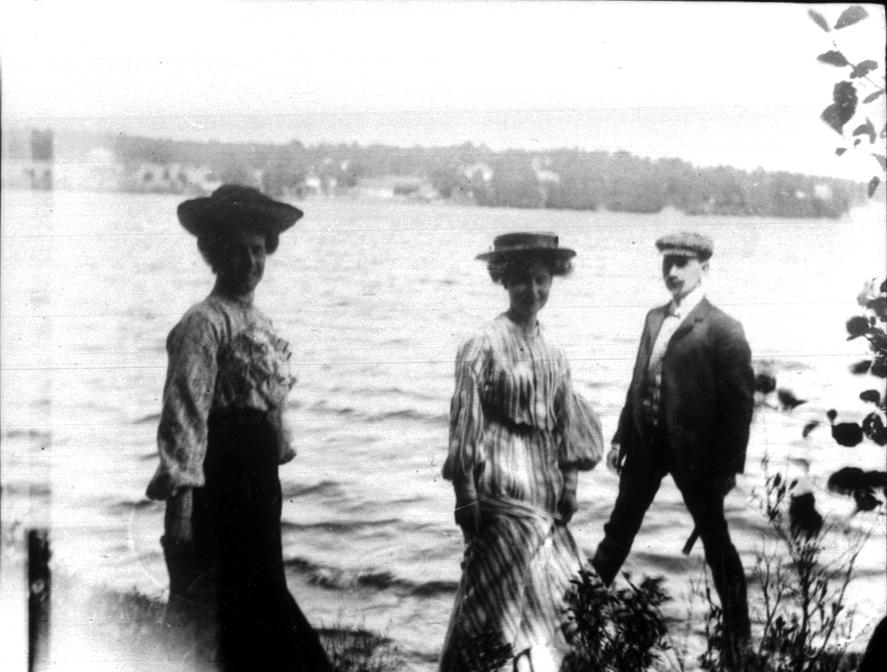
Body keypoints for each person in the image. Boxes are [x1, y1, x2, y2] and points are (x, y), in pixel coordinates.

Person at [145, 184, 332, 672]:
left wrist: (276, 446)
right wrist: (182, 504)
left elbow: (272, 410)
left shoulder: (263, 323)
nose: (250, 262)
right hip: (219, 482)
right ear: (215, 253)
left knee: (263, 591)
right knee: (225, 601)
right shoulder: (202, 323)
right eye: (238, 250)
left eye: (258, 250)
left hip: (259, 484)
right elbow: (184, 413)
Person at [439, 232, 603, 672]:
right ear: (504, 280)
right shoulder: (483, 344)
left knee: (566, 609)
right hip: (498, 499)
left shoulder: (555, 354)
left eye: (542, 280)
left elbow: (567, 425)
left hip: (543, 503)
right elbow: (466, 424)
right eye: (522, 280)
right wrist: (465, 496)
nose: (533, 290)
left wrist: (570, 486)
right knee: (493, 614)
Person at [591, 232, 754, 667]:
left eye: (683, 262)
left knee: (717, 543)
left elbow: (739, 406)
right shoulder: (653, 318)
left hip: (695, 456)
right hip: (646, 445)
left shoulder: (722, 328)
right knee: (618, 531)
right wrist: (621, 437)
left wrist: (727, 467)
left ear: (705, 266)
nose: (673, 271)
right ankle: (580, 614)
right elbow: (638, 381)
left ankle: (739, 643)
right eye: (668, 263)